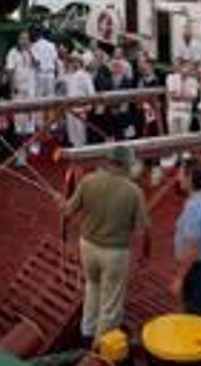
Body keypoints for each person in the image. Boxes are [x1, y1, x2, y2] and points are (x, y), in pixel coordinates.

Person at [61, 145, 150, 344]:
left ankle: (87, 332)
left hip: (88, 247)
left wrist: (60, 203)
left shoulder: (88, 181)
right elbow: (144, 230)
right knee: (111, 303)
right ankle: (100, 347)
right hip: (115, 253)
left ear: (108, 161)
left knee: (92, 287)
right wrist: (145, 254)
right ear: (127, 164)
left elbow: (67, 211)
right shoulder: (134, 191)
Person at [169, 160, 201, 317]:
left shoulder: (194, 207)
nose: (177, 178)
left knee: (196, 317)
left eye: (180, 174)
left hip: (197, 270)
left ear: (190, 178)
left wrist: (179, 278)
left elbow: (192, 247)